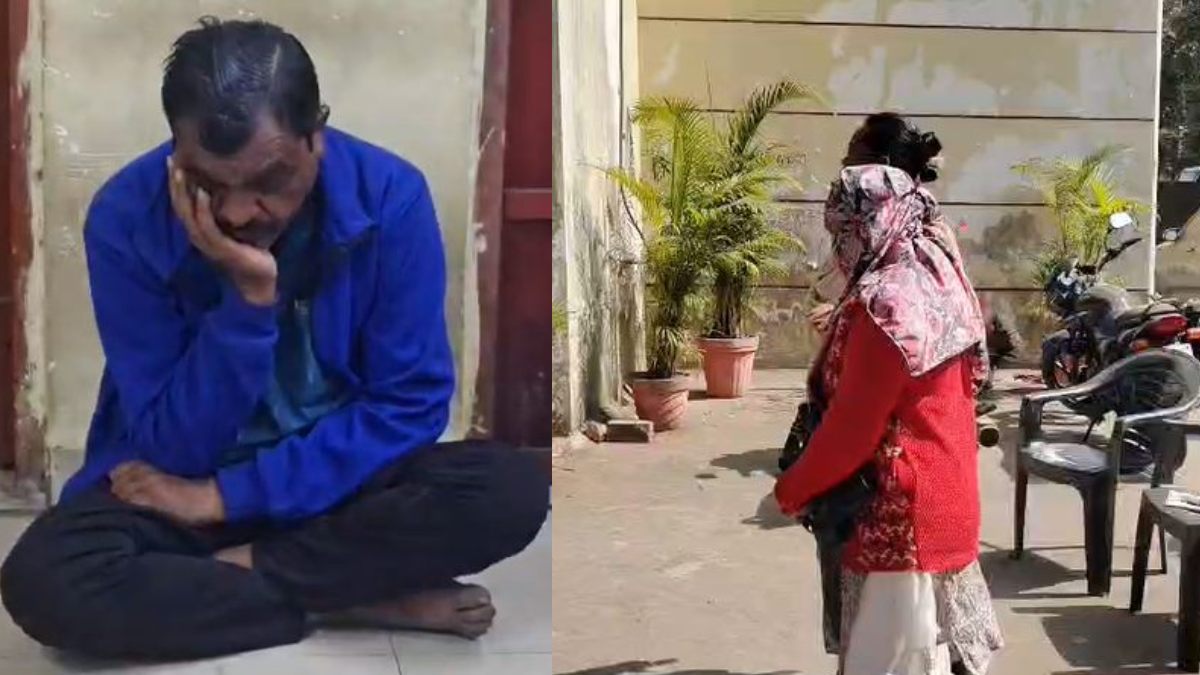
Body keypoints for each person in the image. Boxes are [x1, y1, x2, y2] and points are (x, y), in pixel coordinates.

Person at [0, 17, 548, 661]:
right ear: (176, 150)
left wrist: (224, 499)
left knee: (509, 490)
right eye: (207, 184)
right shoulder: (126, 217)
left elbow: (409, 405)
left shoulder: (389, 199)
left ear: (317, 135)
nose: (237, 214)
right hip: (178, 482)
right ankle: (341, 596)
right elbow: (169, 444)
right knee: (45, 581)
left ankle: (236, 582)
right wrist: (247, 302)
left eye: (270, 182)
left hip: (332, 486)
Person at [774, 113, 1002, 674]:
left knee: (895, 663)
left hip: (899, 522)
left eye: (845, 229)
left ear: (870, 222)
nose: (840, 244)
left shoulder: (887, 303)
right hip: (942, 495)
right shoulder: (932, 269)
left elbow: (853, 431)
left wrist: (792, 489)